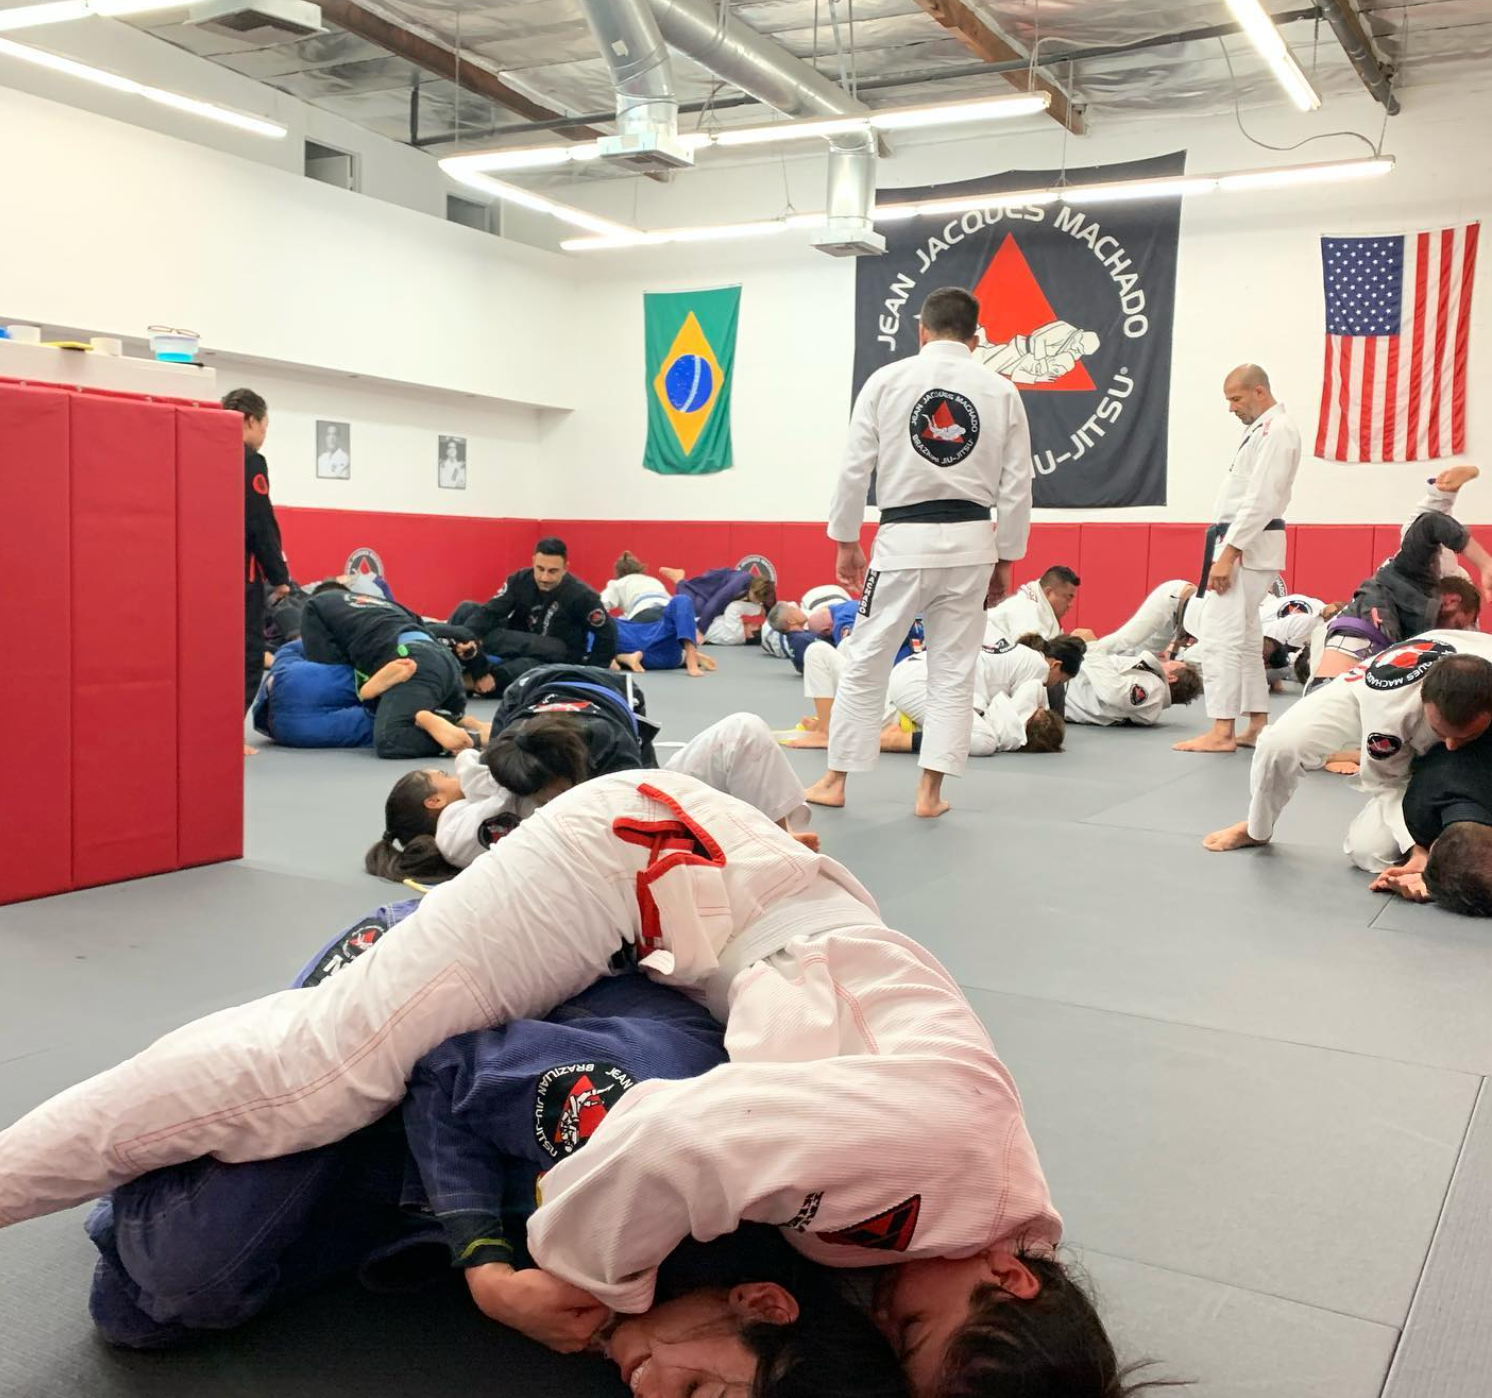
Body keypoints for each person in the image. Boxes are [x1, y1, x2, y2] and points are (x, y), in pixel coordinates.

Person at [0, 771, 1131, 1397]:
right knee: (322, 1076)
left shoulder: (963, 1221)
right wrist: (572, 1290)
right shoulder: (948, 1149)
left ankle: (347, 998)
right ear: (1013, 1280)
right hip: (637, 867)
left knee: (341, 1065)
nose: (886, 1314)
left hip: (686, 927)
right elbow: (664, 1147)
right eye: (916, 1324)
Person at [808, 287, 1035, 819]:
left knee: (866, 658)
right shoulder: (1001, 392)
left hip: (901, 543)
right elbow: (1018, 484)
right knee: (954, 670)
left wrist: (846, 539)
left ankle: (835, 780)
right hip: (972, 544)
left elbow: (853, 468)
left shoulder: (886, 381)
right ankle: (929, 794)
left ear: (922, 330)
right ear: (976, 339)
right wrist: (1006, 557)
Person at [366, 689, 815, 885]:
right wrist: (473, 758)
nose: (448, 772)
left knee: (743, 730)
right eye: (439, 778)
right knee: (743, 730)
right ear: (435, 800)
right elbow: (481, 774)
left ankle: (778, 842)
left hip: (634, 801)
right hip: (625, 837)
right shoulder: (457, 830)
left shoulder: (477, 798)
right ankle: (776, 856)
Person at [1201, 635, 1492, 863]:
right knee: (1278, 745)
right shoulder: (1391, 715)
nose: (1452, 746)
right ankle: (1256, 830)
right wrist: (1415, 847)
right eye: (1442, 734)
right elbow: (1386, 782)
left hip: (1464, 667)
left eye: (1465, 736)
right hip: (1361, 690)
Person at [1174, 364, 1301, 754]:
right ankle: (1257, 723)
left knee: (1221, 637)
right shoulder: (1262, 431)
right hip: (1246, 543)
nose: (1231, 408)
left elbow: (1261, 499)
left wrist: (1228, 553)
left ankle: (1222, 730)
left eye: (1236, 398)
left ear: (1259, 392)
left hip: (1245, 545)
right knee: (1245, 640)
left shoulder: (1278, 431)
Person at [1308, 469, 1490, 689]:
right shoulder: (1418, 576)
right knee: (1329, 696)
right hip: (1362, 627)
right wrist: (1485, 563)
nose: (1454, 632)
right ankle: (1442, 497)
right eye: (1458, 626)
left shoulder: (1450, 602)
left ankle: (1441, 496)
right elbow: (1430, 525)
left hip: (1392, 623)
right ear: (1452, 601)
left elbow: (1471, 643)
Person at [299, 585, 489, 758]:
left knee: (390, 740)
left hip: (408, 663)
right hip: (444, 663)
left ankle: (471, 738)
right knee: (427, 715)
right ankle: (458, 721)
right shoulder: (382, 603)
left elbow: (328, 667)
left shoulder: (314, 606)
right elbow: (425, 626)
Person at [225, 388, 290, 755]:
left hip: (203, 574)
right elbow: (260, 522)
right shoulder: (251, 462)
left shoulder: (199, 451)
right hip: (241, 574)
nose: (264, 433)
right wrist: (278, 574)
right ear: (251, 420)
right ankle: (231, 731)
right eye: (264, 425)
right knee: (248, 654)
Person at [1369, 730, 1492, 912]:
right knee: (1367, 848)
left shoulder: (1420, 817)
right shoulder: (1417, 812)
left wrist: (1433, 879)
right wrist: (1431, 871)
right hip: (1421, 760)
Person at [453, 538, 616, 670]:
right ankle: (452, 659)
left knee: (526, 659)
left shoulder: (582, 596)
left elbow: (607, 633)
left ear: (565, 568)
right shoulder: (519, 580)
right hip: (518, 641)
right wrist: (467, 636)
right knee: (467, 609)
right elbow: (491, 611)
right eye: (540, 569)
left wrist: (593, 672)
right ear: (533, 562)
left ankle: (473, 656)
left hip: (557, 653)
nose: (544, 578)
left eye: (552, 571)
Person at [1064, 652, 1203, 728]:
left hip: (1064, 689)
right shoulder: (1153, 690)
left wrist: (1093, 648)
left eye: (1170, 664)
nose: (1165, 662)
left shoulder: (1155, 689)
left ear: (1171, 678)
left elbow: (1114, 693)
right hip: (1067, 688)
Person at [984, 566, 1088, 651]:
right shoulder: (1027, 609)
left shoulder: (1041, 608)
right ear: (1048, 592)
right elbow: (1032, 655)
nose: (1071, 604)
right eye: (1068, 597)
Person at [670, 566, 777, 646]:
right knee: (696, 607)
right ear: (753, 590)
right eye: (757, 601)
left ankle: (679, 580)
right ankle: (679, 580)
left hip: (712, 608)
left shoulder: (761, 593)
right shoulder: (740, 582)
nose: (757, 603)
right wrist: (701, 631)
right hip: (712, 585)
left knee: (691, 610)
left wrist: (770, 618)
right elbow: (714, 604)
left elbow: (770, 605)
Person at [1087, 580, 1194, 658]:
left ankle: (1089, 656)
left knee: (1144, 657)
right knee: (1127, 639)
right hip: (1175, 597)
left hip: (1183, 609)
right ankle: (1085, 653)